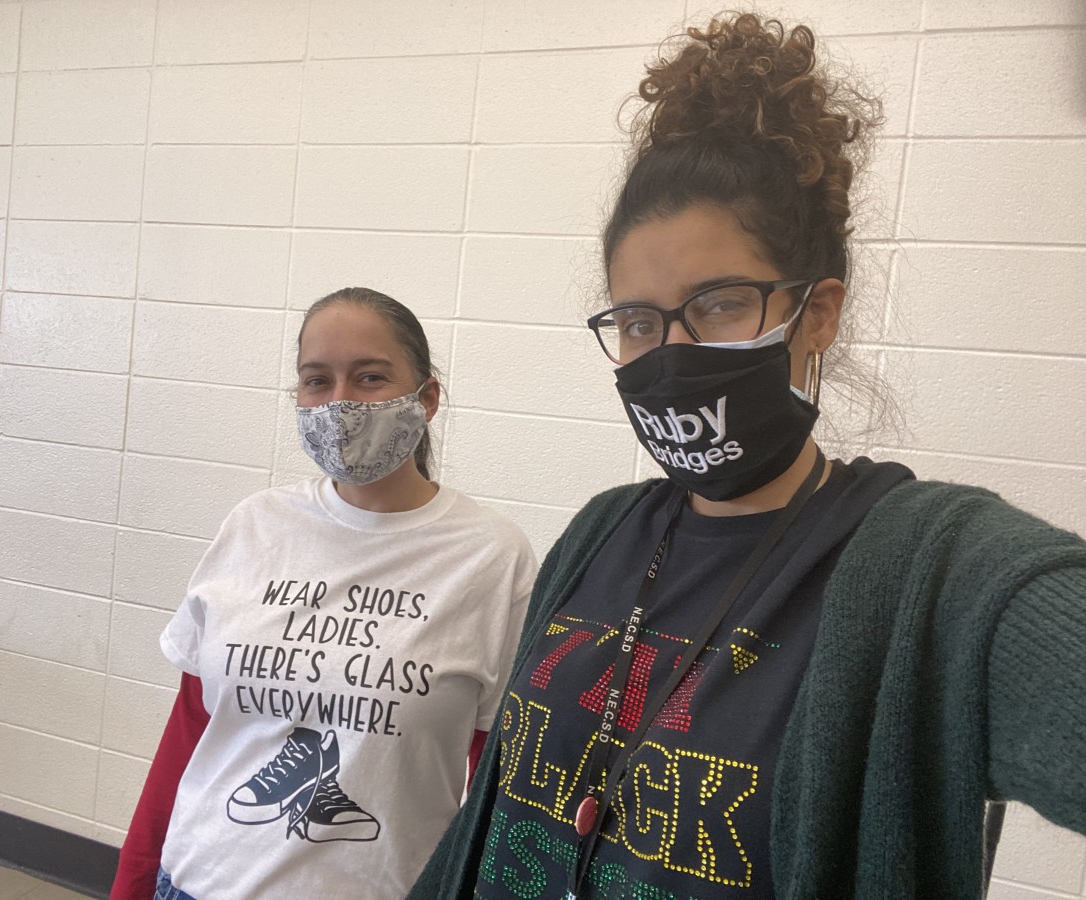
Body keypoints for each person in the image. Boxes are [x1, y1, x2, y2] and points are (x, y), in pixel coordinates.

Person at [410, 13, 1086, 900]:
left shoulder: (932, 574)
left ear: (817, 313)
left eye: (721, 304)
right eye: (640, 322)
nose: (671, 351)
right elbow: (492, 819)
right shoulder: (602, 533)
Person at [111, 287, 537, 899]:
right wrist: (132, 883)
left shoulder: (491, 556)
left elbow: (497, 781)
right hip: (199, 883)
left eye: (369, 377)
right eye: (317, 380)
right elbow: (189, 734)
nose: (338, 403)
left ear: (428, 398)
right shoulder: (254, 525)